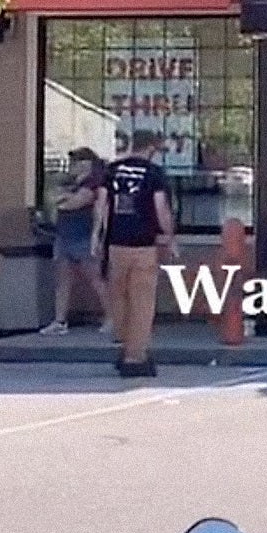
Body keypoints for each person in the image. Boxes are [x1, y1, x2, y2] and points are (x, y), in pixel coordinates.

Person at [95, 130, 178, 378]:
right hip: (143, 245)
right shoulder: (154, 174)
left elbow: (102, 204)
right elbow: (160, 208)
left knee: (118, 297)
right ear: (151, 148)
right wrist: (170, 237)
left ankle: (123, 342)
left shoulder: (112, 170)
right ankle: (135, 356)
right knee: (142, 302)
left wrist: (97, 236)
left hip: (115, 244)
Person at [40, 148, 113, 337]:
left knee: (95, 279)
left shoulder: (94, 183)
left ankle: (112, 317)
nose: (71, 166)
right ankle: (59, 321)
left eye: (76, 162)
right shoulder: (71, 184)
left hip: (83, 237)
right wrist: (62, 198)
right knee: (62, 281)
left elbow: (74, 203)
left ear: (86, 164)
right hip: (64, 236)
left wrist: (63, 199)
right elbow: (53, 201)